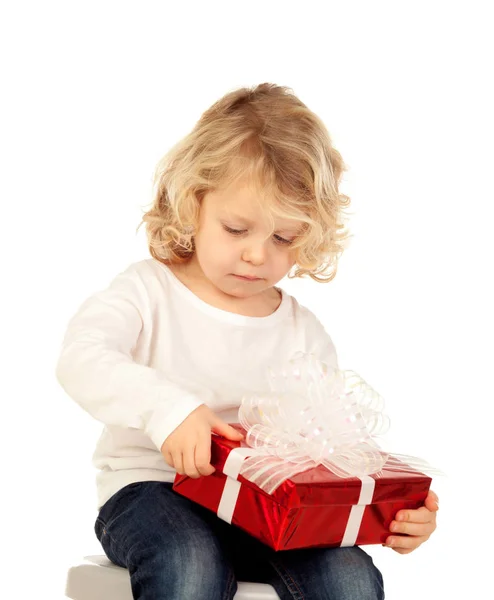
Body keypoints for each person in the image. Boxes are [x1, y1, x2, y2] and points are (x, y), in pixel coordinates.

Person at [56, 83, 438, 600]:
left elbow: (332, 448)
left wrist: (383, 508)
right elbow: (82, 359)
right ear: (194, 205)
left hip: (266, 508)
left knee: (348, 573)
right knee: (189, 562)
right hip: (151, 491)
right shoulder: (147, 291)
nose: (258, 255)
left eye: (283, 238)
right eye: (237, 228)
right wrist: (169, 410)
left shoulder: (302, 331)